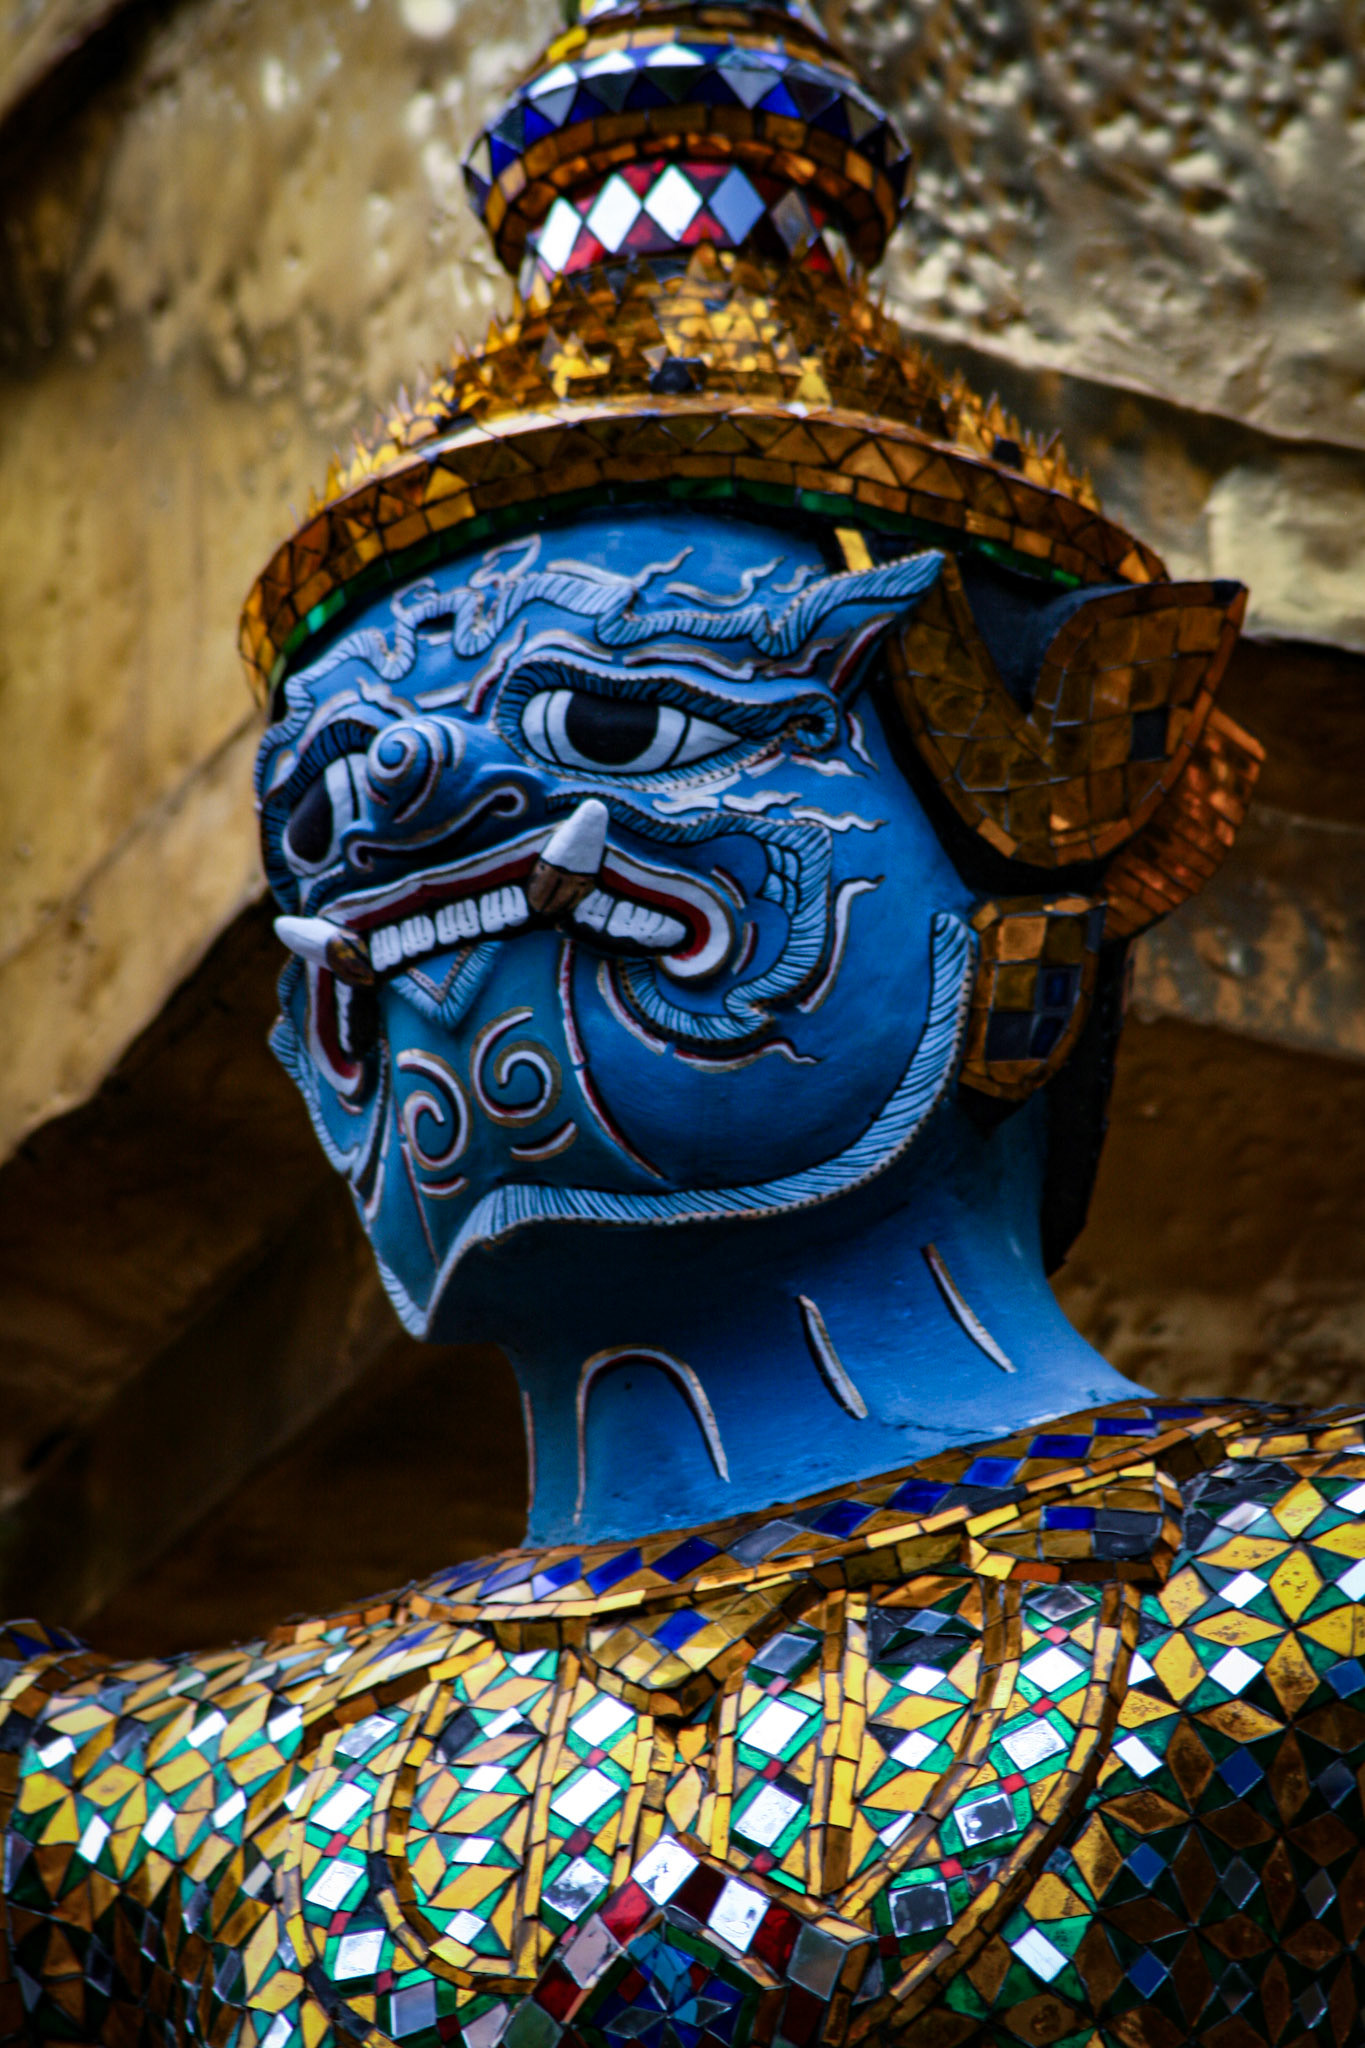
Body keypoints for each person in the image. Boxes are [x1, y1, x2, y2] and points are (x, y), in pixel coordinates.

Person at [5, 4, 1361, 2045]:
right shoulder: (152, 1807)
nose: (395, 815)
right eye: (319, 818)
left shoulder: (1300, 1608)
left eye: (624, 720)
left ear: (1043, 792)